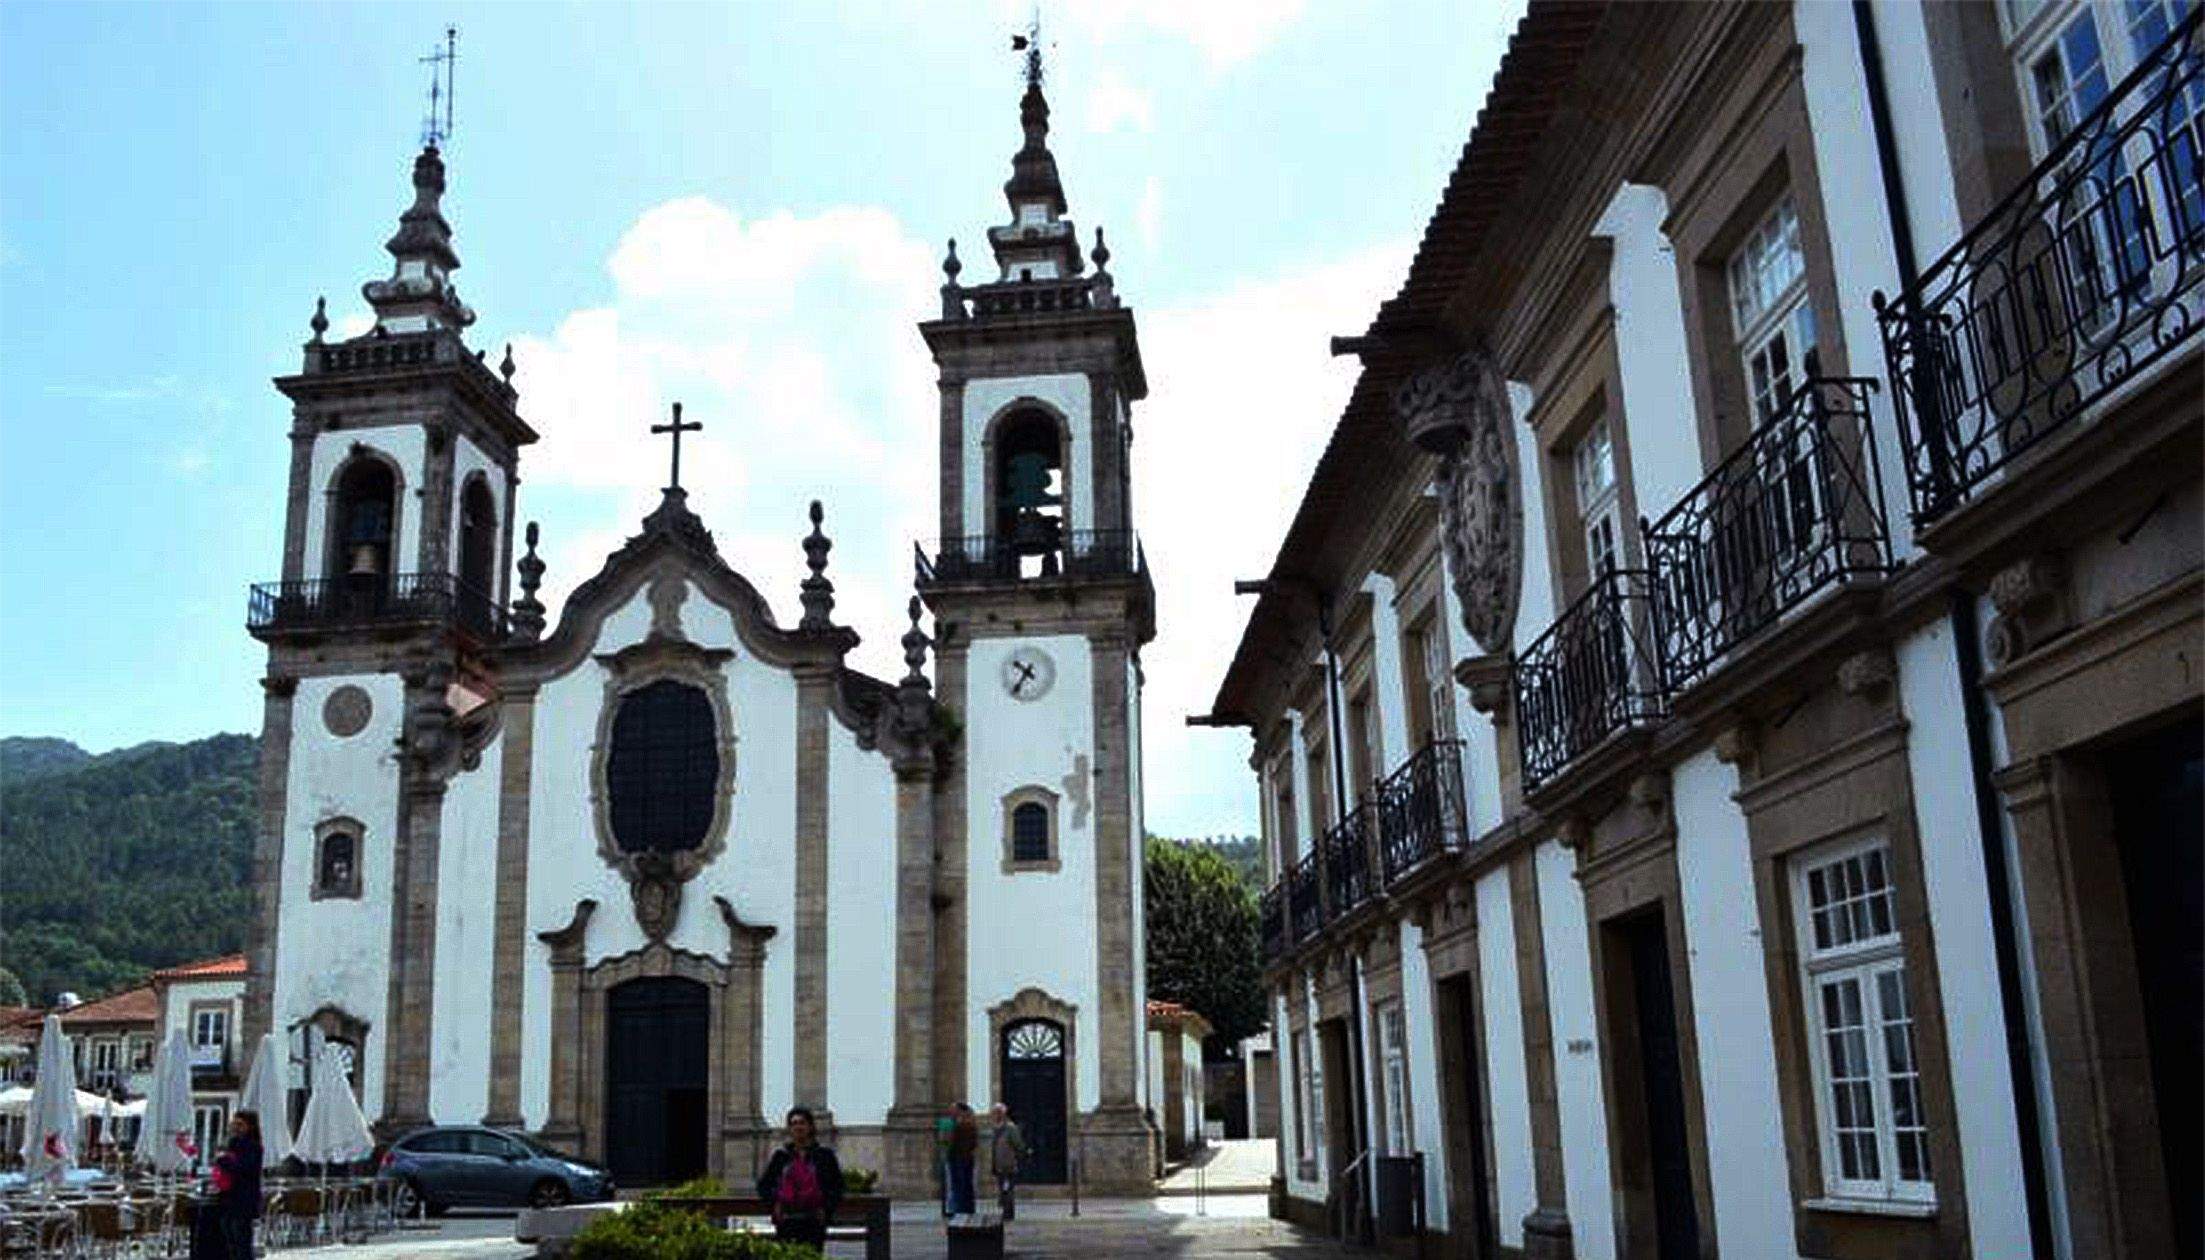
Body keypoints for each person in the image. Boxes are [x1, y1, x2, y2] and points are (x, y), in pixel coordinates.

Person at [757, 1106, 843, 1252]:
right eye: (794, 1123)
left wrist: (826, 1210)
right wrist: (774, 1205)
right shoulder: (781, 1157)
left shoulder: (824, 1156)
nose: (798, 1127)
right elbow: (764, 1186)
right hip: (787, 1219)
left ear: (810, 1126)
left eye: (802, 1123)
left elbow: (837, 1186)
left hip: (813, 1219)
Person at [210, 1110, 264, 1260]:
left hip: (244, 1200)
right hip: (228, 1197)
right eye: (234, 1124)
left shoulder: (252, 1146)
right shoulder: (231, 1143)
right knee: (230, 1237)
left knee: (241, 1240)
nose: (236, 1127)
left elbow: (243, 1168)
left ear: (249, 1126)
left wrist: (223, 1160)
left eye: (240, 1124)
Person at [987, 1103, 1028, 1221]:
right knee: (1003, 1189)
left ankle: (1008, 1212)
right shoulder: (996, 1128)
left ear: (1003, 1113)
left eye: (997, 1113)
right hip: (999, 1164)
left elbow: (1018, 1144)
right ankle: (1006, 1210)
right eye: (994, 1113)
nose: (995, 1115)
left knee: (1008, 1188)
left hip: (1008, 1164)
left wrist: (1021, 1153)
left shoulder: (1010, 1128)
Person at [944, 1104, 979, 1218]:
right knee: (966, 1184)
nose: (951, 1112)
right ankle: (968, 1208)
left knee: (958, 1185)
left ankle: (959, 1208)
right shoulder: (971, 1124)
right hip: (967, 1157)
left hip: (958, 1158)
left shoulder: (959, 1125)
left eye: (954, 1110)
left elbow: (951, 1142)